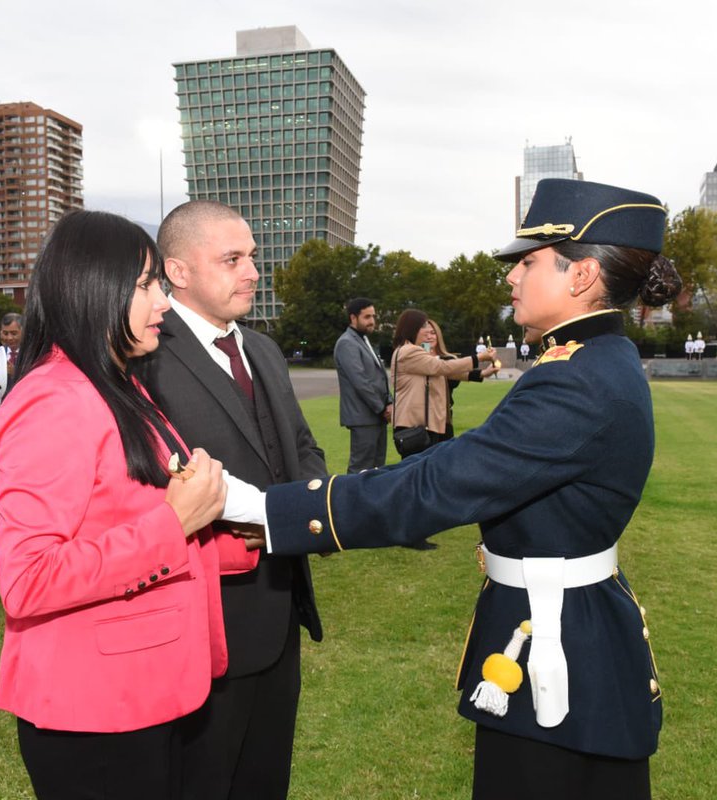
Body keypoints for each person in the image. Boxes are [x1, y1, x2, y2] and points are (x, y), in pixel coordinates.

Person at [253, 179, 683, 799]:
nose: (511, 278)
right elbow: (460, 460)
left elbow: (441, 484)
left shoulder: (578, 379)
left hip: (558, 651)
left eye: (528, 262)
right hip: (557, 629)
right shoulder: (588, 361)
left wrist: (273, 510)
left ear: (581, 275)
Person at [0, 210, 236, 798]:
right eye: (149, 285)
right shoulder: (54, 399)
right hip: (93, 712)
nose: (165, 302)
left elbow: (127, 514)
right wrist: (173, 522)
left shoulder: (116, 384)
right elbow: (28, 579)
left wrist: (250, 537)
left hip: (144, 692)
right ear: (94, 286)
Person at [139, 199, 326, 800]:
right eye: (233, 259)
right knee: (203, 778)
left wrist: (301, 515)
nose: (252, 272)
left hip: (280, 602)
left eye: (252, 257)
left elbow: (301, 448)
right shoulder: (144, 358)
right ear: (179, 271)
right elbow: (146, 481)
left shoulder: (263, 349)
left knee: (266, 775)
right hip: (202, 616)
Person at [391, 310, 492, 550]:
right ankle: (408, 533)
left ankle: (416, 530)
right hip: (414, 426)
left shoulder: (415, 352)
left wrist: (479, 372)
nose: (429, 331)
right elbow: (442, 367)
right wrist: (478, 358)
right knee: (414, 481)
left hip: (423, 424)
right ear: (411, 329)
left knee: (420, 478)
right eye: (423, 327)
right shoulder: (408, 352)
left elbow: (446, 370)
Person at [333, 297, 392, 473]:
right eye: (367, 317)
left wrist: (389, 402)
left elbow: (379, 377)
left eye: (373, 316)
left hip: (376, 416)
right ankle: (348, 501)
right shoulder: (346, 343)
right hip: (363, 418)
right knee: (360, 469)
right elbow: (361, 382)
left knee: (377, 468)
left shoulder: (363, 339)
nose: (372, 321)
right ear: (353, 318)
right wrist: (382, 408)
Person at [426, 318, 499, 439]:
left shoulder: (448, 359)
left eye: (433, 333)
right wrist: (479, 358)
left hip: (444, 418)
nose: (429, 337)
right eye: (426, 333)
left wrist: (484, 373)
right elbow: (442, 368)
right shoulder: (419, 360)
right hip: (424, 420)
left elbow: (454, 372)